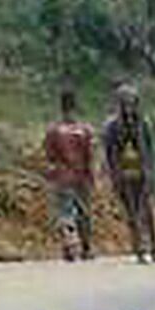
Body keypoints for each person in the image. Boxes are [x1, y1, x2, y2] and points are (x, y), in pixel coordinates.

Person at [102, 82, 155, 264]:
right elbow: (110, 152)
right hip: (124, 174)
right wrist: (114, 175)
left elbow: (149, 150)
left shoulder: (143, 123)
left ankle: (154, 248)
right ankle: (139, 250)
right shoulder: (112, 126)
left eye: (131, 102)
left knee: (148, 212)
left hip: (142, 173)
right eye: (125, 102)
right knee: (133, 213)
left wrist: (150, 172)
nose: (128, 106)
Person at [42, 89, 98, 261]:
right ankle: (86, 248)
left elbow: (49, 156)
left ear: (61, 107)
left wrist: (52, 174)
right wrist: (92, 176)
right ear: (76, 106)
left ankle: (69, 245)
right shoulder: (85, 130)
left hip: (62, 177)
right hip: (81, 177)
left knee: (65, 212)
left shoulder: (53, 130)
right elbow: (90, 155)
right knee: (84, 212)